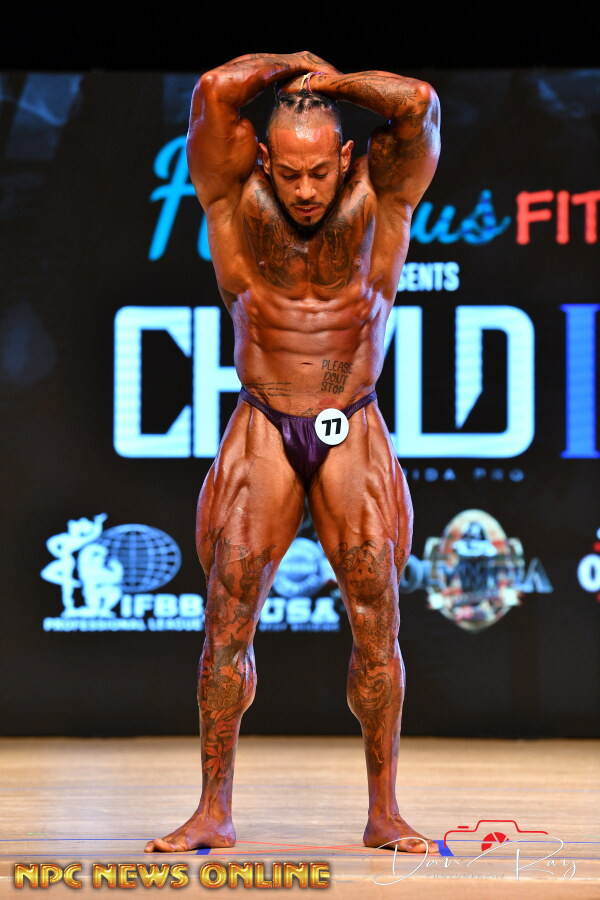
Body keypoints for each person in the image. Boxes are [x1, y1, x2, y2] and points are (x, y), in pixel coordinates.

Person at [145, 51, 440, 855]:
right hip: (264, 420)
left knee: (377, 620)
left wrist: (332, 83)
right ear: (263, 160)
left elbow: (417, 103)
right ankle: (213, 812)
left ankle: (385, 812)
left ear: (345, 156)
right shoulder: (232, 194)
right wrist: (289, 66)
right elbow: (213, 90)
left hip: (352, 418)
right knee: (226, 621)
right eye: (289, 173)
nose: (305, 191)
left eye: (319, 172)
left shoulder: (382, 191)